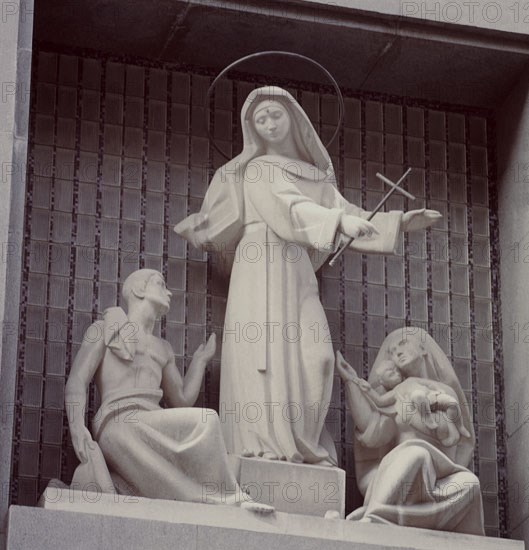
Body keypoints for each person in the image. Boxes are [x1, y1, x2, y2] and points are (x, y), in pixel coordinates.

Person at [175, 86, 442, 465]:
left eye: (275, 115)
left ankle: (303, 446)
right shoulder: (258, 168)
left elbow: (347, 212)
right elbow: (289, 209)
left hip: (297, 268)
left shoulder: (315, 175)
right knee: (263, 353)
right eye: (260, 119)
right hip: (261, 262)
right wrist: (338, 221)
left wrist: (399, 222)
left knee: (317, 358)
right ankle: (264, 447)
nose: (268, 124)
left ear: (294, 119)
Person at [65, 268, 272, 512]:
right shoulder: (104, 328)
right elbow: (77, 380)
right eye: (161, 284)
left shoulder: (162, 348)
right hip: (117, 423)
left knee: (208, 420)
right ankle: (209, 500)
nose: (170, 292)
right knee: (122, 432)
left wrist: (200, 362)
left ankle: (223, 495)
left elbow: (182, 401)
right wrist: (77, 427)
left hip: (153, 419)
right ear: (139, 289)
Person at [335, 328, 484, 534]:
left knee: (470, 483)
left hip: (435, 481)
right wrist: (351, 381)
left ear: (423, 348)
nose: (397, 352)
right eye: (393, 351)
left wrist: (429, 412)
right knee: (417, 454)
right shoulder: (397, 395)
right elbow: (373, 431)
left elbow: (449, 438)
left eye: (403, 344)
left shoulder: (443, 392)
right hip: (401, 477)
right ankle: (374, 516)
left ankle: (388, 518)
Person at [337, 354, 470, 444]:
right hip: (419, 400)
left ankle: (460, 426)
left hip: (432, 398)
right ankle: (428, 419)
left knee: (452, 403)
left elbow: (429, 384)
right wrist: (367, 389)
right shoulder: (396, 393)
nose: (396, 372)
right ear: (384, 382)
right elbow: (380, 401)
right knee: (417, 396)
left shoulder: (412, 379)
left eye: (395, 369)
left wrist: (437, 390)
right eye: (391, 373)